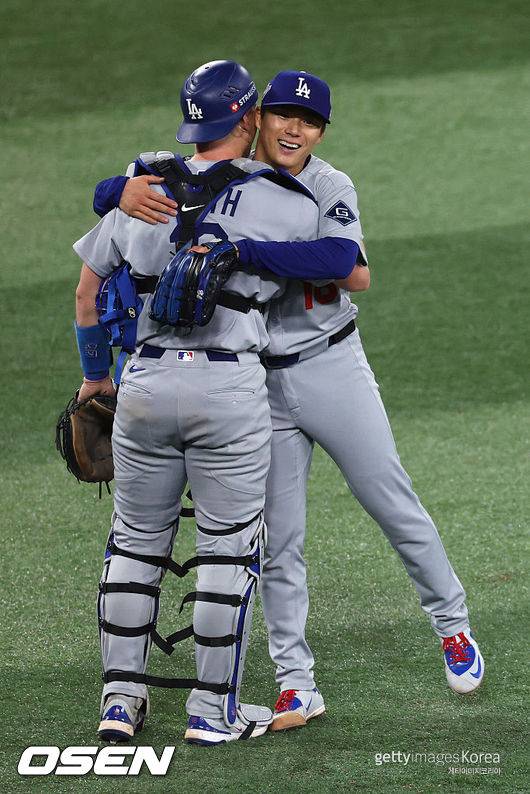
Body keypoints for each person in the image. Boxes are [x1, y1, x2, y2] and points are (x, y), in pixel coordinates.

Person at [93, 69, 484, 733]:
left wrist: (247, 251)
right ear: (258, 120)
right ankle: (295, 684)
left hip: (331, 366)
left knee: (389, 498)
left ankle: (453, 625)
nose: (295, 129)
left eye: (310, 121)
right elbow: (130, 194)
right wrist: (114, 190)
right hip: (255, 385)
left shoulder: (327, 186)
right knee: (277, 539)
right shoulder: (232, 179)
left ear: (322, 132)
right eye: (283, 115)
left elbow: (351, 267)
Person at [74, 60, 360, 746]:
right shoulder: (287, 202)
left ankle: (120, 704)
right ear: (250, 118)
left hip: (144, 385)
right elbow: (345, 265)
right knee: (227, 554)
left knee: (134, 543)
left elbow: (87, 296)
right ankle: (211, 712)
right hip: (228, 390)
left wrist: (95, 382)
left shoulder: (139, 191)